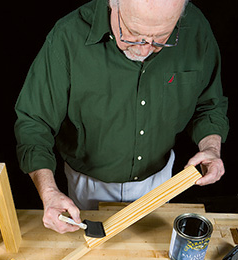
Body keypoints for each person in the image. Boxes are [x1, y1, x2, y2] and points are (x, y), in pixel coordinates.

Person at [15, 0, 229, 233]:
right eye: (134, 34)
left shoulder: (196, 28)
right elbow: (34, 124)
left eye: (161, 39)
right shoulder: (67, 36)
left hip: (160, 183)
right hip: (88, 187)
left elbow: (210, 104)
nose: (145, 49)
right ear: (113, 5)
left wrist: (211, 148)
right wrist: (49, 192)